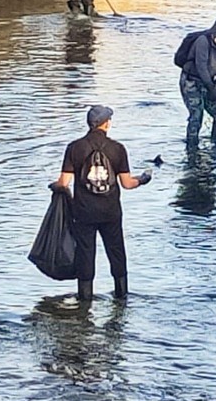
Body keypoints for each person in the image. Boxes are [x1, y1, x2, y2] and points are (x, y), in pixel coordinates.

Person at [52, 105, 153, 301]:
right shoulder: (118, 149)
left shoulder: (74, 148)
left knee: (85, 254)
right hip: (110, 212)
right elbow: (127, 184)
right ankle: (121, 298)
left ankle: (84, 301)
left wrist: (53, 186)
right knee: (116, 251)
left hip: (83, 213)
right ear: (105, 124)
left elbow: (63, 183)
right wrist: (143, 179)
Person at [180, 17, 216, 148]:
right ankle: (192, 148)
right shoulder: (202, 41)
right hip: (191, 81)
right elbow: (201, 66)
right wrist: (210, 87)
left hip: (209, 82)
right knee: (196, 115)